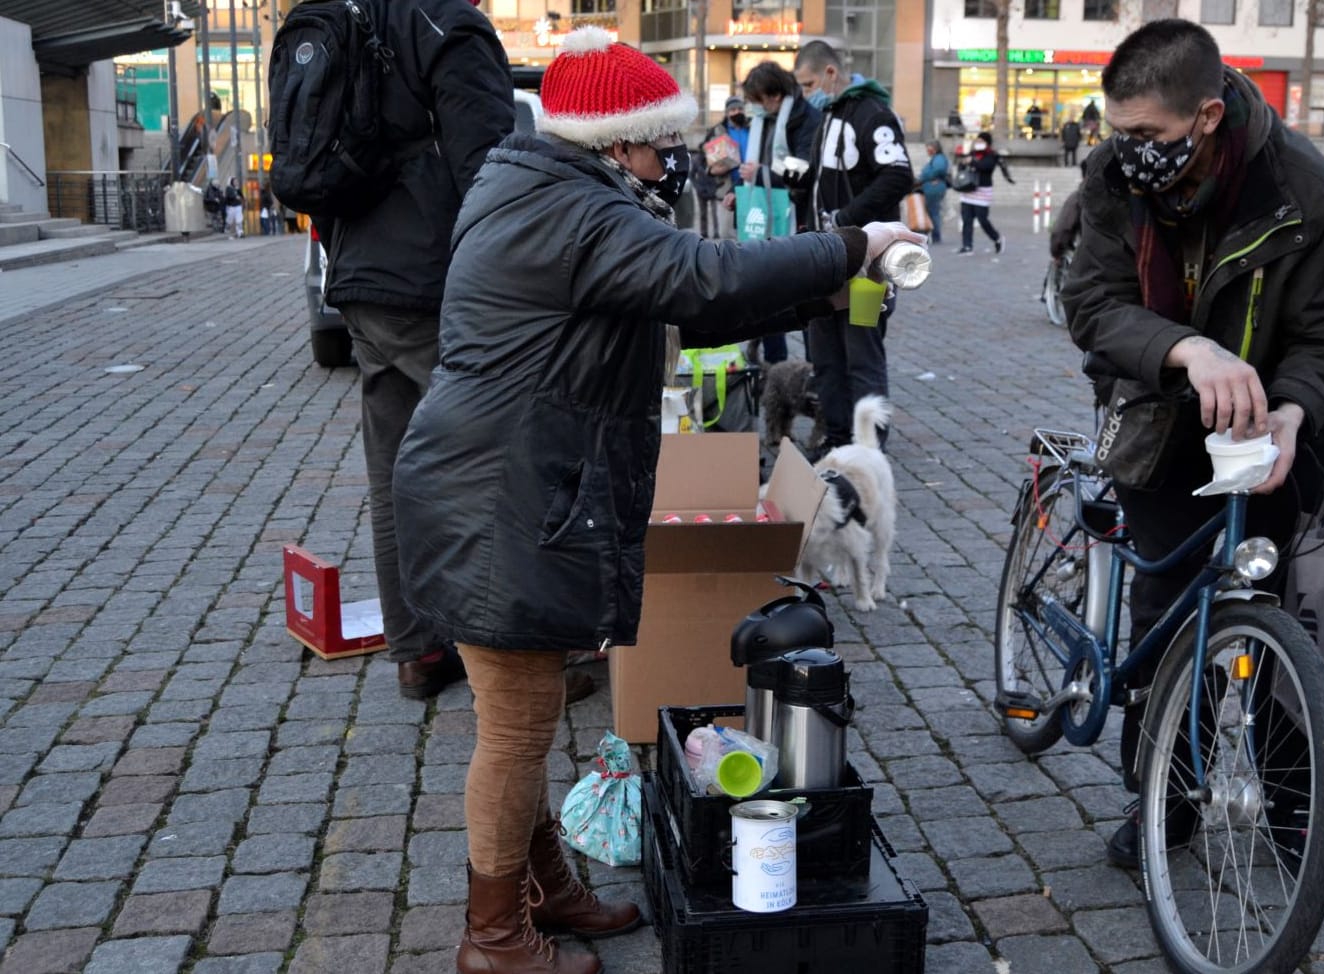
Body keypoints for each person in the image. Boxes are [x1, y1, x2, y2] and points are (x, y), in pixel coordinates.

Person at [390, 27, 922, 974]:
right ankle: (493, 938)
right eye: (660, 141)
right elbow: (700, 278)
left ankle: (540, 891)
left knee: (526, 711)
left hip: (499, 487)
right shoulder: (570, 207)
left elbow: (693, 303)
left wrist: (824, 286)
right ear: (613, 140)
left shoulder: (549, 187)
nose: (674, 158)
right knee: (515, 724)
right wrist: (849, 244)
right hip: (498, 497)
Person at [1062, 18, 1324, 870]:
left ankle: (1290, 801)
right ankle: (1164, 798)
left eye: (1146, 135)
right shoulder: (1111, 175)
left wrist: (1297, 406)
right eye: (1117, 131)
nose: (1127, 151)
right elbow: (1092, 301)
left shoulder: (1306, 186)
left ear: (1204, 115)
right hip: (1162, 419)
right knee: (1166, 611)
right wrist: (1183, 349)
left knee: (1279, 609)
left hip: (1270, 429)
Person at [314, 0, 516, 701]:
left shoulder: (349, 15)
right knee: (505, 455)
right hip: (434, 283)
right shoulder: (447, 26)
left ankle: (417, 653)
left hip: (359, 276)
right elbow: (487, 173)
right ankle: (512, 661)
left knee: (394, 472)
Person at [793, 39, 913, 452]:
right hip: (827, 262)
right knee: (826, 354)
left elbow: (898, 175)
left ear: (830, 73)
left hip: (868, 266)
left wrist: (846, 218)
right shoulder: (828, 115)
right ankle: (838, 436)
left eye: (808, 83)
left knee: (861, 352)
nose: (806, 93)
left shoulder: (872, 113)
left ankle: (869, 445)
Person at [738, 60, 824, 364]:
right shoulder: (765, 119)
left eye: (760, 99)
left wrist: (764, 172)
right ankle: (775, 365)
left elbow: (803, 169)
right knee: (768, 294)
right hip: (764, 219)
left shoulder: (806, 119)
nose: (757, 107)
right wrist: (741, 196)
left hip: (797, 219)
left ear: (775, 94)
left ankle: (816, 369)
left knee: (805, 299)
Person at [955, 131, 1012, 256]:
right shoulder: (971, 153)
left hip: (982, 192)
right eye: (978, 141)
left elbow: (986, 167)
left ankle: (997, 238)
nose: (978, 143)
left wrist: (972, 162)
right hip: (968, 191)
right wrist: (964, 163)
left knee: (982, 219)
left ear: (987, 143)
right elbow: (961, 166)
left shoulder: (991, 155)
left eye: (981, 141)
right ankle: (967, 246)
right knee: (966, 220)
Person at [705, 96, 751, 240]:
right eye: (732, 110)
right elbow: (709, 165)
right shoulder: (717, 131)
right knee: (727, 235)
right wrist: (717, 168)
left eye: (740, 109)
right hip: (727, 190)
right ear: (726, 112)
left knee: (751, 233)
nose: (737, 112)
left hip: (751, 189)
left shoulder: (753, 128)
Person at [918, 140, 951, 245]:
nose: (927, 150)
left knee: (933, 211)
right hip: (931, 187)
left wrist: (924, 177)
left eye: (929, 147)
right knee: (930, 211)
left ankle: (935, 235)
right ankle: (929, 235)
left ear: (935, 148)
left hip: (934, 188)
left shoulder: (939, 158)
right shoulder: (935, 158)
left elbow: (938, 170)